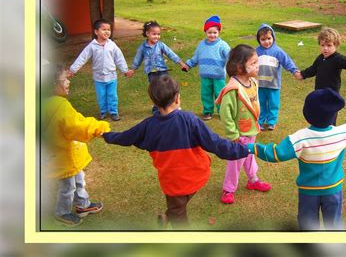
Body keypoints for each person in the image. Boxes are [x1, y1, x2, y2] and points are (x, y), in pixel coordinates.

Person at [102, 75, 250, 228]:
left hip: (175, 181)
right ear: (177, 98)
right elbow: (216, 144)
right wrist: (246, 149)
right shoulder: (189, 119)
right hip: (193, 175)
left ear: (154, 101)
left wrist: (106, 135)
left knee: (177, 205)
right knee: (179, 218)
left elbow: (126, 137)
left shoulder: (149, 125)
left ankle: (170, 213)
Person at [248, 88, 346, 230]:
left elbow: (276, 153)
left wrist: (252, 148)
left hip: (308, 191)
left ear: (306, 114)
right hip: (333, 189)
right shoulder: (342, 133)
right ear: (333, 115)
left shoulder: (300, 138)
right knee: (333, 224)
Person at [42, 64, 110, 227]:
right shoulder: (59, 106)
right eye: (64, 79)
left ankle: (83, 205)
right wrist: (99, 127)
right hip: (64, 156)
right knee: (68, 186)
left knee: (79, 179)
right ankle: (62, 213)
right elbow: (77, 126)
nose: (68, 82)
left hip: (58, 154)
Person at [215, 44, 272, 204]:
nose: (257, 66)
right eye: (253, 63)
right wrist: (233, 135)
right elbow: (225, 114)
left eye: (256, 62)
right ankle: (229, 188)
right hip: (239, 136)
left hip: (251, 131)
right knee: (235, 162)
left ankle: (253, 180)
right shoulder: (232, 89)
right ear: (240, 67)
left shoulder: (253, 82)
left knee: (249, 156)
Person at [68, 19, 133, 121]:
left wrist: (125, 70)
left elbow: (119, 58)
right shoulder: (92, 46)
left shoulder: (112, 45)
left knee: (112, 95)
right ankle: (103, 112)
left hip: (111, 77)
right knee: (101, 96)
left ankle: (113, 112)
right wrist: (73, 70)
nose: (107, 31)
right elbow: (82, 58)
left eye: (109, 29)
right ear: (96, 32)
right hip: (99, 78)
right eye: (104, 29)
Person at [295, 27, 346, 125]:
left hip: (331, 96)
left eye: (329, 45)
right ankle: (318, 132)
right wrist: (302, 74)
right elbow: (313, 69)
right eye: (322, 45)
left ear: (336, 45)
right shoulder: (320, 58)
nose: (325, 48)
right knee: (318, 115)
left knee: (330, 118)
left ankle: (330, 135)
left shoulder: (337, 59)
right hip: (319, 94)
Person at [129, 20, 188, 113]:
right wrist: (133, 69)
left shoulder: (160, 45)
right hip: (152, 73)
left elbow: (170, 54)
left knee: (168, 88)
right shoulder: (142, 47)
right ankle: (157, 107)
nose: (157, 36)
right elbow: (137, 59)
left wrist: (181, 63)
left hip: (162, 71)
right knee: (156, 90)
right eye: (154, 34)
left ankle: (173, 105)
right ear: (147, 33)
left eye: (158, 34)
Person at [182, 15, 230, 121]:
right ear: (205, 32)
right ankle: (207, 111)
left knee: (220, 94)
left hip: (219, 76)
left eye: (215, 32)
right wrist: (188, 65)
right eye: (209, 32)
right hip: (205, 76)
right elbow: (196, 58)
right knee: (206, 94)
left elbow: (230, 57)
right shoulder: (201, 45)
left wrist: (234, 66)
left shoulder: (223, 45)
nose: (212, 35)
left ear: (219, 32)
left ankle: (222, 112)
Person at [255, 24, 299, 131]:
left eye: (269, 38)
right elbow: (250, 63)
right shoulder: (256, 51)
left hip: (273, 84)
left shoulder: (277, 51)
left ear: (273, 38)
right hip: (260, 85)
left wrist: (294, 70)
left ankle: (271, 121)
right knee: (260, 103)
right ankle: (260, 121)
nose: (267, 41)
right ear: (259, 40)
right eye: (263, 39)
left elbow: (287, 61)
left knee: (273, 104)